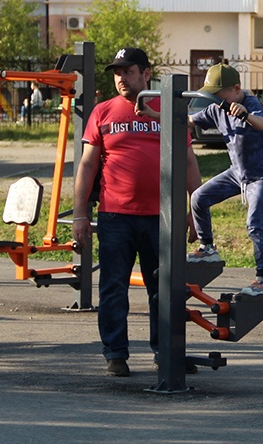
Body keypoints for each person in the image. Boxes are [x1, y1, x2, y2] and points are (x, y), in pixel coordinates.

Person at [71, 47, 203, 377]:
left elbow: (188, 162)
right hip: (117, 217)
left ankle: (165, 352)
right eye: (117, 72)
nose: (121, 77)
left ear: (146, 74)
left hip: (163, 217)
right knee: (113, 287)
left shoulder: (167, 110)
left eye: (128, 71)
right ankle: (116, 354)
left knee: (165, 289)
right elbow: (86, 165)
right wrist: (79, 215)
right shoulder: (103, 112)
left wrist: (196, 213)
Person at [187, 63, 263, 296]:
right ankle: (207, 247)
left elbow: (261, 124)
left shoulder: (250, 103)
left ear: (236, 88)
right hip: (237, 173)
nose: (215, 100)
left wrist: (246, 115)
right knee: (199, 197)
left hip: (262, 175)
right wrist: (155, 114)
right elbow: (188, 121)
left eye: (219, 95)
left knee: (254, 224)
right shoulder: (216, 109)